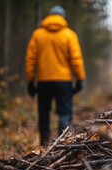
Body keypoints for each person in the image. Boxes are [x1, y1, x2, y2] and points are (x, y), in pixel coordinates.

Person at [25, 6, 86, 146]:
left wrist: (30, 81)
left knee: (43, 114)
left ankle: (44, 145)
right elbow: (76, 59)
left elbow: (30, 59)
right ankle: (62, 144)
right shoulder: (69, 35)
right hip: (63, 82)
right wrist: (80, 79)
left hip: (43, 81)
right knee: (64, 113)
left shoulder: (38, 35)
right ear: (63, 17)